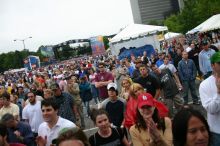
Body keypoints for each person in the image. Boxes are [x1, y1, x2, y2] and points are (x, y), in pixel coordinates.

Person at [199, 52, 220, 146]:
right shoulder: (205, 85)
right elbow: (211, 109)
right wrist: (219, 92)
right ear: (212, 65)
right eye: (219, 63)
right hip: (216, 132)